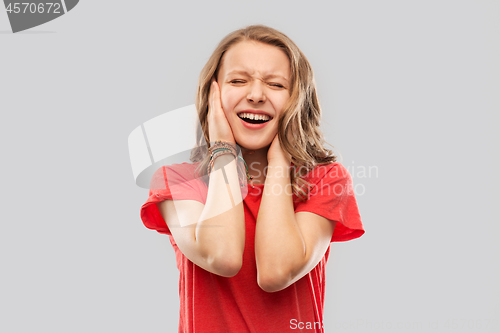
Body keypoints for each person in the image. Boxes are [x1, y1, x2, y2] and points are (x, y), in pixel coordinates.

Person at [140, 25, 364, 333]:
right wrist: (223, 152)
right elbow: (222, 256)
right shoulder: (177, 182)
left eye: (275, 84)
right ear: (213, 93)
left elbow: (276, 272)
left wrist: (279, 160)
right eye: (238, 80)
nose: (256, 95)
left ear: (296, 100)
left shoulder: (326, 180)